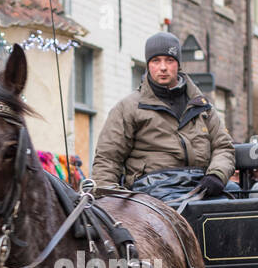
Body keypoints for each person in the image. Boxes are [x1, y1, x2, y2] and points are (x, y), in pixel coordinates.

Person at [90, 32, 235, 196]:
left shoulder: (203, 107)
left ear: (178, 64)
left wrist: (217, 174)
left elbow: (223, 147)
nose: (163, 67)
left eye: (170, 60)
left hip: (201, 183)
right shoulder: (128, 107)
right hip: (151, 188)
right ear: (148, 65)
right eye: (156, 61)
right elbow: (108, 158)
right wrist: (109, 200)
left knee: (240, 200)